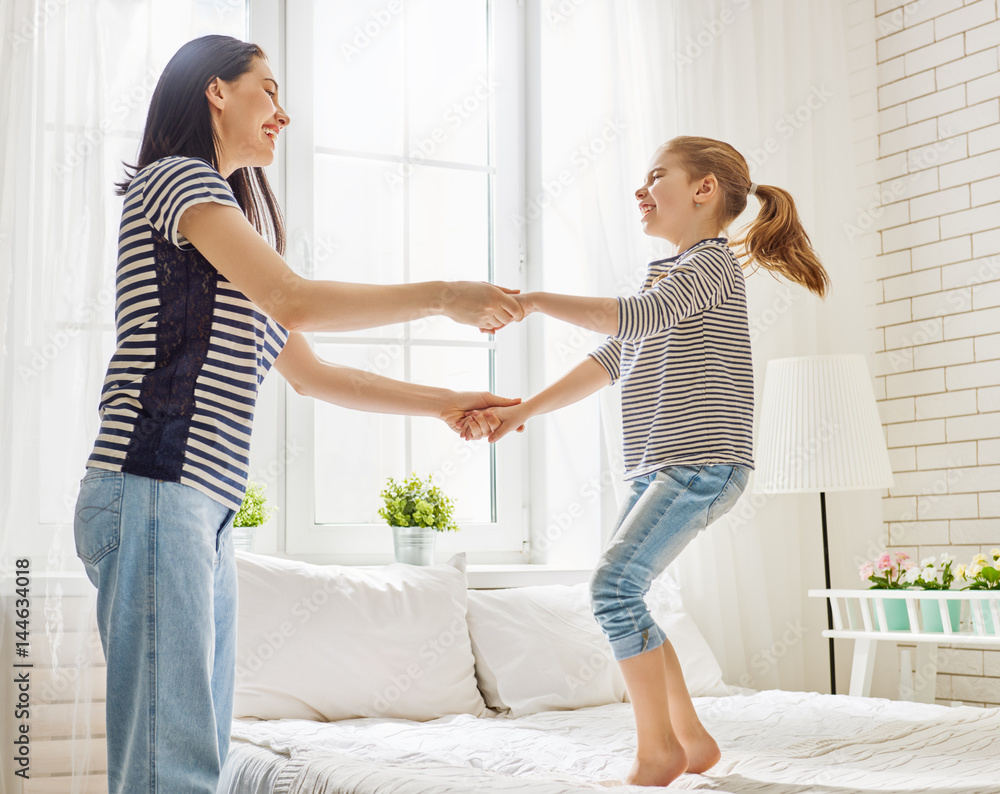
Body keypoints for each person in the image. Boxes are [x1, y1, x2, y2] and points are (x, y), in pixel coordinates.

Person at [73, 35, 518, 794]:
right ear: (217, 92)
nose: (284, 113)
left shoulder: (229, 239)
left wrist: (449, 402)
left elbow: (312, 374)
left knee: (191, 762)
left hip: (197, 507)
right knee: (169, 771)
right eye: (269, 91)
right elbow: (295, 297)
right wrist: (444, 293)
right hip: (153, 487)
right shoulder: (177, 182)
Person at [465, 136, 829, 787]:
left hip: (701, 462)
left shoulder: (711, 264)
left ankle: (659, 751)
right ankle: (689, 741)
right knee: (625, 592)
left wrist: (537, 300)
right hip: (661, 466)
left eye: (656, 176)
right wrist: (522, 411)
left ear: (704, 190)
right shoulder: (667, 272)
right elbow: (613, 357)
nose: (641, 189)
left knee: (611, 589)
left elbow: (637, 320)